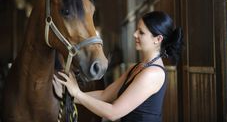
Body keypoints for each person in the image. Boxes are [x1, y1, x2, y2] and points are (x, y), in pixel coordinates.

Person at [53, 11, 183, 122]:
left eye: (141, 32)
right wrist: (67, 95)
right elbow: (105, 95)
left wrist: (77, 93)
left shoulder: (153, 73)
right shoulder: (137, 67)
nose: (134, 34)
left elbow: (113, 112)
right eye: (137, 30)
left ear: (158, 39)